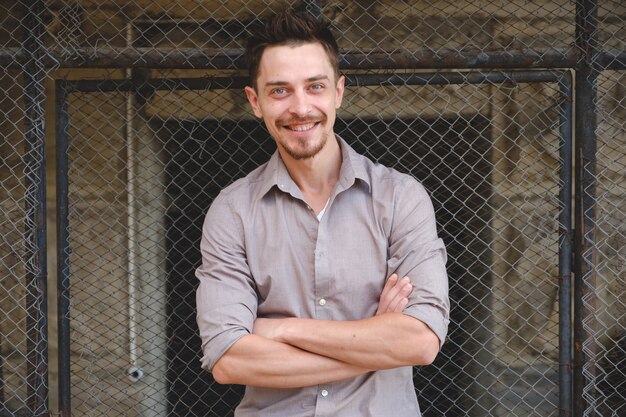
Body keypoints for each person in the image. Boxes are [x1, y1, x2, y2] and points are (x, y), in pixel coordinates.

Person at [195, 7, 449, 416]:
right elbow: (229, 360)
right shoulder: (232, 211)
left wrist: (281, 329)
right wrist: (375, 343)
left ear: (338, 92)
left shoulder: (401, 197)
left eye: (314, 86)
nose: (300, 107)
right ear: (255, 101)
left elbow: (420, 341)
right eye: (280, 91)